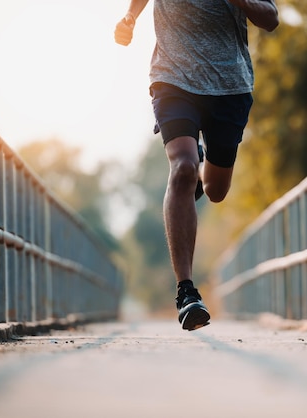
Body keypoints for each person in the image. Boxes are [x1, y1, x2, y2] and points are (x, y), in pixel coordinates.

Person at [114, 0, 279, 331]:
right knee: (183, 168)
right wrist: (130, 16)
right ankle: (186, 292)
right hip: (172, 78)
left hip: (229, 85)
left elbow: (271, 18)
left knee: (216, 190)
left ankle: (201, 162)